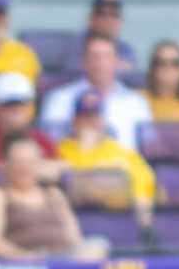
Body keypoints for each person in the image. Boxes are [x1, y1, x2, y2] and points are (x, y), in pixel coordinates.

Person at [0, 129, 98, 257]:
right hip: (25, 264)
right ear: (4, 164)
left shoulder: (54, 194)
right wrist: (26, 257)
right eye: (19, 162)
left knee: (98, 245)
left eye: (31, 162)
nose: (25, 168)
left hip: (67, 260)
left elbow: (74, 237)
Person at [53, 92, 155, 231]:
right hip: (74, 219)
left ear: (102, 121)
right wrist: (86, 148)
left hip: (118, 218)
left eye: (94, 117)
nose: (90, 123)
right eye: (84, 117)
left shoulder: (120, 151)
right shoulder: (60, 150)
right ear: (74, 121)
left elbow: (143, 184)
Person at [40, 34, 149, 150]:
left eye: (106, 56)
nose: (100, 63)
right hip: (75, 164)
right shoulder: (59, 98)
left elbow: (149, 146)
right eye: (94, 56)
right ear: (83, 62)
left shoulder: (137, 102)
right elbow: (49, 144)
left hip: (128, 164)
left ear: (117, 62)